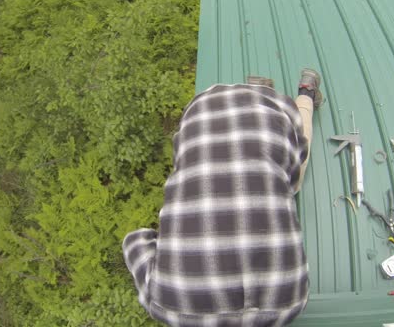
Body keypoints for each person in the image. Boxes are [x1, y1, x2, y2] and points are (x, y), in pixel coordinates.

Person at [123, 68, 322, 326]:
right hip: (200, 109)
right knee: (288, 177)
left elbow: (292, 166)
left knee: (289, 177)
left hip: (274, 113)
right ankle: (261, 91)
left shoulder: (293, 302)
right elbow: (134, 240)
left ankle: (301, 93)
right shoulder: (164, 304)